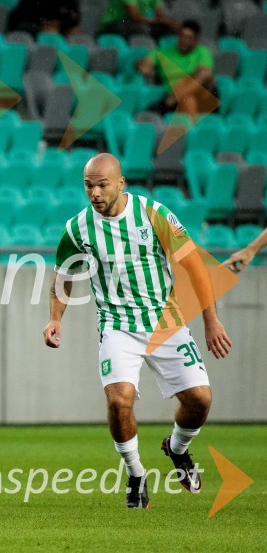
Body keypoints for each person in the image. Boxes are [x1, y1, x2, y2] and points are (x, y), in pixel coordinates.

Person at [42, 153, 232, 509]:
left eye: (101, 185)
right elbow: (64, 275)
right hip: (117, 325)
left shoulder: (153, 214)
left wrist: (210, 320)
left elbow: (196, 267)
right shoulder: (77, 228)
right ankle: (135, 474)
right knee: (118, 400)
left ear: (120, 182)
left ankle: (177, 449)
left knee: (200, 401)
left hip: (166, 322)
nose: (95, 193)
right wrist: (55, 318)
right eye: (88, 186)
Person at [136, 20, 215, 123]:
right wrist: (144, 66)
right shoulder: (164, 52)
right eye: (182, 36)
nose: (184, 40)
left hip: (200, 94)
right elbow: (144, 63)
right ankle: (193, 135)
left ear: (196, 39)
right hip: (177, 95)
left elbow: (204, 73)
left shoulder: (202, 52)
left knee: (205, 74)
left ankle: (169, 101)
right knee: (188, 100)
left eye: (188, 38)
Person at [99, 0, 179, 39]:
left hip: (136, 23)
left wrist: (171, 24)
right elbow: (134, 17)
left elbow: (161, 15)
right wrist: (158, 21)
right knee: (143, 28)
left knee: (168, 29)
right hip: (114, 24)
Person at [8, 0, 80, 38]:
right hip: (35, 34)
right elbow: (15, 22)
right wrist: (43, 29)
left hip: (61, 32)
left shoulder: (68, 2)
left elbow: (73, 18)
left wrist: (60, 26)